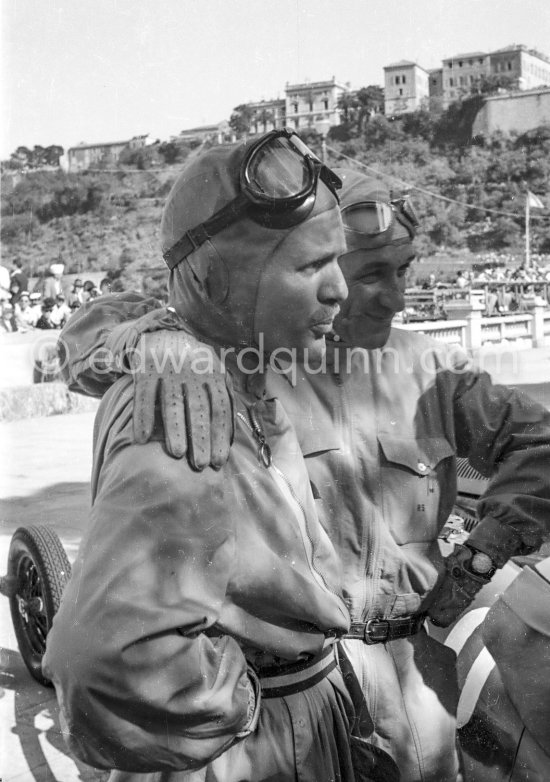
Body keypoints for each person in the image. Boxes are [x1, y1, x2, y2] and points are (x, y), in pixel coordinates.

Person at [60, 169, 550, 782]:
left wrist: (485, 551)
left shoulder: (433, 370)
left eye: (405, 270)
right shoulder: (245, 361)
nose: (393, 296)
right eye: (370, 272)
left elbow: (542, 441)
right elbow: (87, 334)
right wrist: (155, 338)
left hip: (413, 673)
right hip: (285, 685)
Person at [44, 134, 389, 782]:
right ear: (215, 278)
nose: (339, 290)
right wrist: (261, 706)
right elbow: (100, 664)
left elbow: (92, 325)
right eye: (309, 266)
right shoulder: (185, 412)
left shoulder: (250, 378)